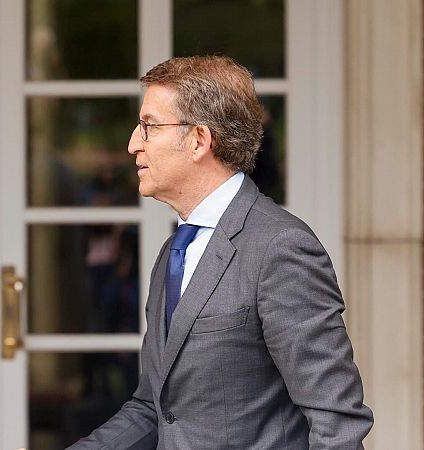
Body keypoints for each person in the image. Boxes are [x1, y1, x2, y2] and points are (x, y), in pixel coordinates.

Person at [69, 56, 373, 449]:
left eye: (149, 126)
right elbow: (153, 408)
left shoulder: (280, 248)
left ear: (199, 140)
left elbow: (337, 421)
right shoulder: (174, 251)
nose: (133, 144)